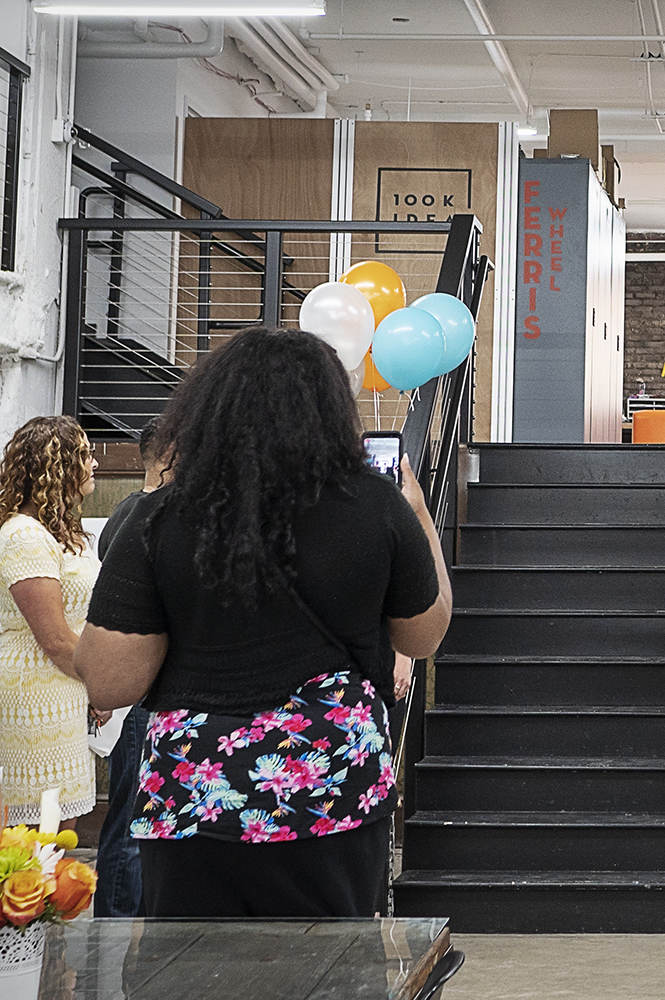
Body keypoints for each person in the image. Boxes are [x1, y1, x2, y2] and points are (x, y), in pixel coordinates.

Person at [75, 326, 451, 918]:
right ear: (330, 411)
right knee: (334, 971)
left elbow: (109, 680)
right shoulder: (376, 509)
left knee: (185, 974)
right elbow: (424, 634)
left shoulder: (158, 517)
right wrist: (420, 516)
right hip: (331, 792)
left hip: (194, 799)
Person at [0, 415, 104, 828]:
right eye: (85, 454)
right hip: (35, 693)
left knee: (61, 829)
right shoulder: (24, 535)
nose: (94, 463)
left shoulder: (55, 531)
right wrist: (101, 685)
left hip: (64, 686)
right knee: (42, 834)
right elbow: (55, 638)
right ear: (57, 465)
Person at [92, 416, 169, 918]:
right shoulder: (146, 517)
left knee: (133, 811)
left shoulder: (125, 513)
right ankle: (114, 922)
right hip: (143, 691)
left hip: (142, 689)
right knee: (130, 819)